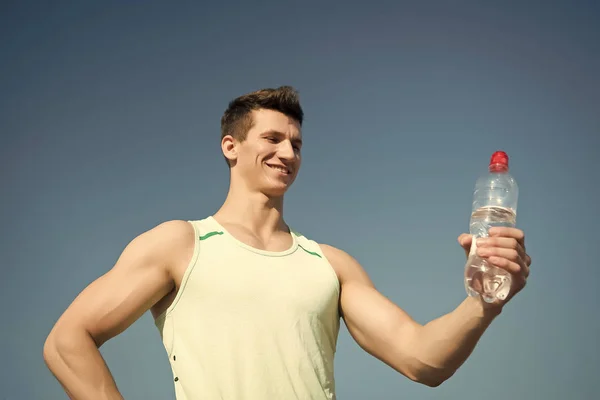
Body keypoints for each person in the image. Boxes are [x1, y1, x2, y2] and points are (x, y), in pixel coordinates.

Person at [43, 86, 532, 400]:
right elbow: (67, 342)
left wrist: (484, 303)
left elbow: (423, 360)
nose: (288, 152)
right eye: (273, 138)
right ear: (230, 147)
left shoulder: (331, 264)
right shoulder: (180, 243)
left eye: (296, 144)